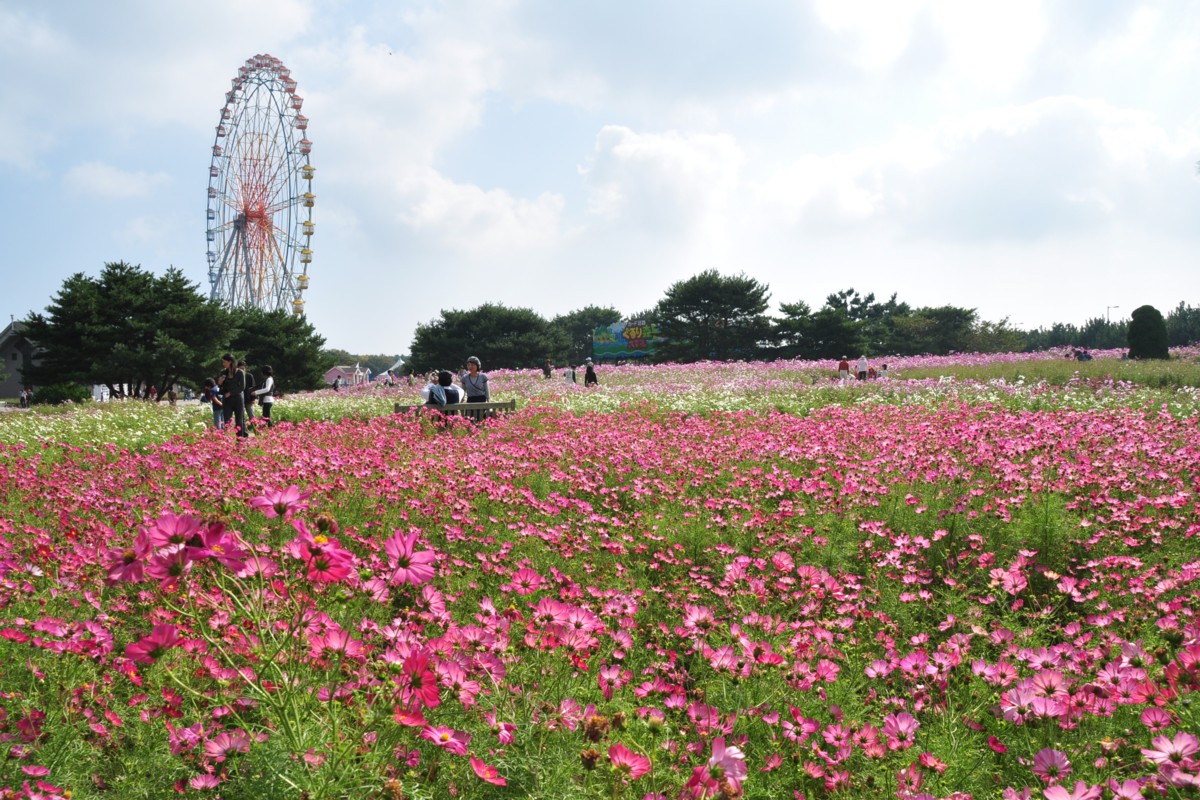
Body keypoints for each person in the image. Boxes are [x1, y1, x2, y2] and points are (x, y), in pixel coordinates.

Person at [221, 353, 248, 438]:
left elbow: (242, 387)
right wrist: (219, 383)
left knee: (239, 420)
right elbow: (221, 387)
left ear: (230, 362)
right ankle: (226, 440)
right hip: (227, 400)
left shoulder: (240, 372)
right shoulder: (223, 372)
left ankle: (240, 440)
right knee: (227, 420)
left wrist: (231, 393)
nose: (223, 364)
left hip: (238, 399)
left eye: (224, 362)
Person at [239, 361, 257, 426]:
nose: (242, 370)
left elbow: (253, 387)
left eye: (243, 369)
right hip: (240, 399)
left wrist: (253, 398)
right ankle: (243, 430)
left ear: (245, 368)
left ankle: (256, 430)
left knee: (251, 415)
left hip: (248, 398)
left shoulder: (249, 376)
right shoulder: (237, 376)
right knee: (241, 416)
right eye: (240, 369)